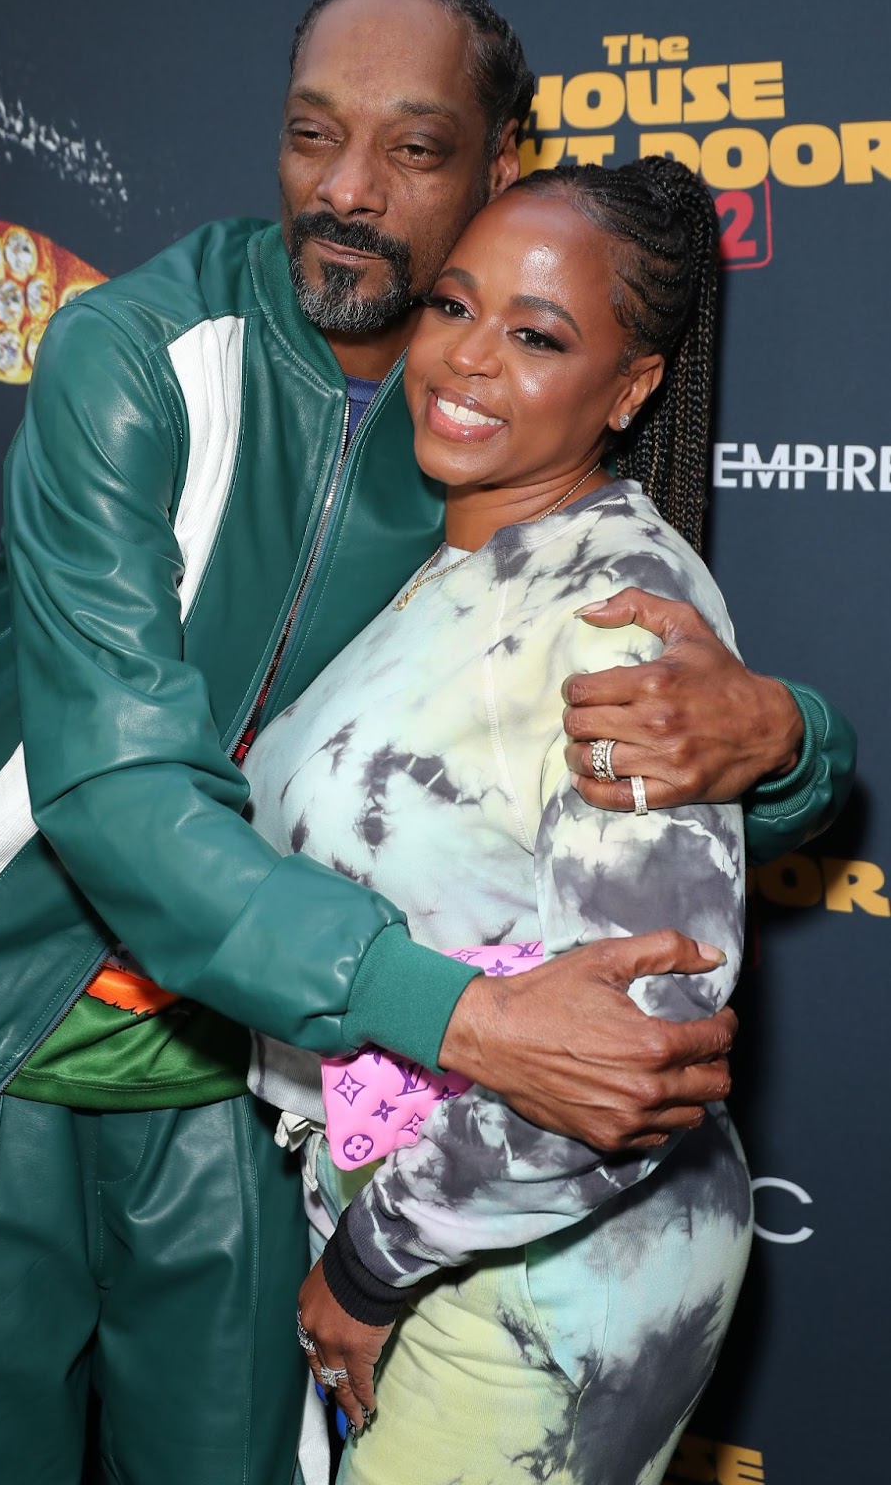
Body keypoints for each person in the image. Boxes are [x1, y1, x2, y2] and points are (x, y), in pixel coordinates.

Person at [0, 0, 852, 1485]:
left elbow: (578, 711)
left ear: (502, 163)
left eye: (416, 150)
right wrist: (465, 1017)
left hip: (255, 1063)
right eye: (313, 136)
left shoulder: (479, 448)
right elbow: (118, 799)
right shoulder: (138, 356)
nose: (349, 193)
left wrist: (783, 739)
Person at [250, 156, 756, 1484]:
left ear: (632, 386)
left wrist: (367, 1270)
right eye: (452, 307)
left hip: (532, 1285)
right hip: (426, 1239)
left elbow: (635, 1055)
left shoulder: (620, 626)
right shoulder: (444, 553)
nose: (464, 363)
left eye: (534, 336)